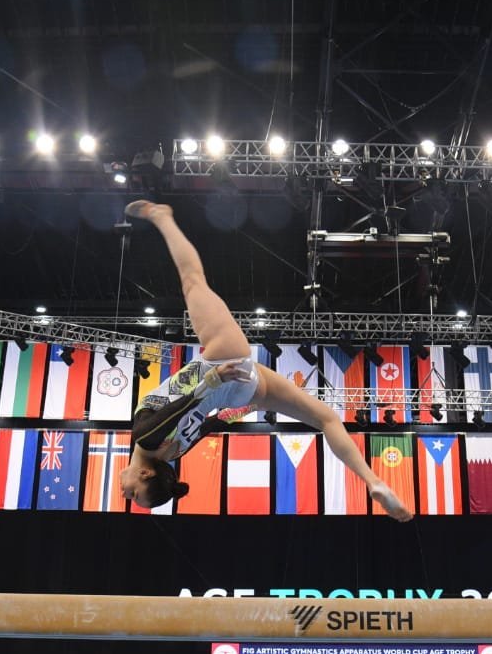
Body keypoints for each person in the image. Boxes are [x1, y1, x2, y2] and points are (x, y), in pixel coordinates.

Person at [119, 201, 413, 521]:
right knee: (192, 281)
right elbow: (183, 408)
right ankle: (161, 216)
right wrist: (212, 380)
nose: (125, 494)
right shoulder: (146, 438)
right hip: (224, 364)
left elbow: (213, 423)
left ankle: (373, 480)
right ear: (146, 474)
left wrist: (248, 408)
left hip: (243, 391)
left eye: (132, 497)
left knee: (327, 419)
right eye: (134, 494)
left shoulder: (176, 452)